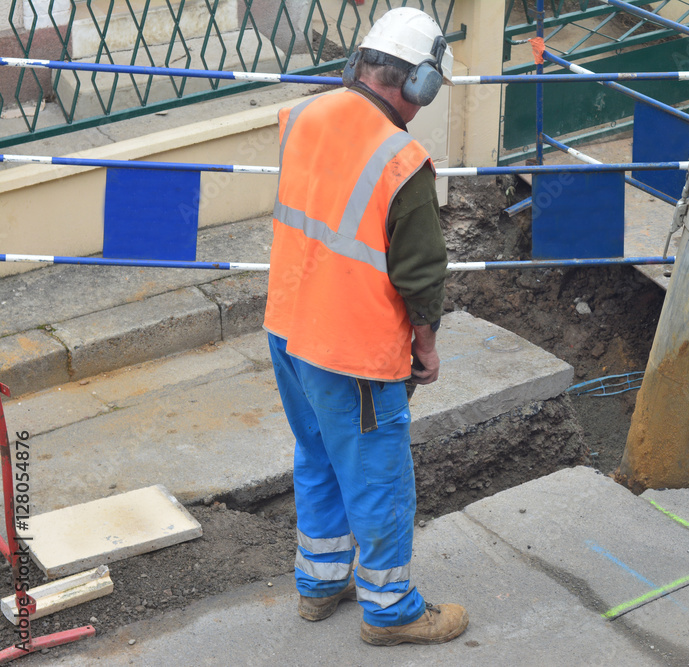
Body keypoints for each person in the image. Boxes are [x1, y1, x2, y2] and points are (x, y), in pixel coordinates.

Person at [263, 7, 467, 646]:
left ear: (361, 62)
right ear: (419, 84)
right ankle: (392, 610)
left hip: (288, 327)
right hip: (349, 349)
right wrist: (427, 346)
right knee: (378, 471)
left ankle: (321, 585)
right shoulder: (401, 158)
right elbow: (420, 272)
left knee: (318, 453)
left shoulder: (302, 117)